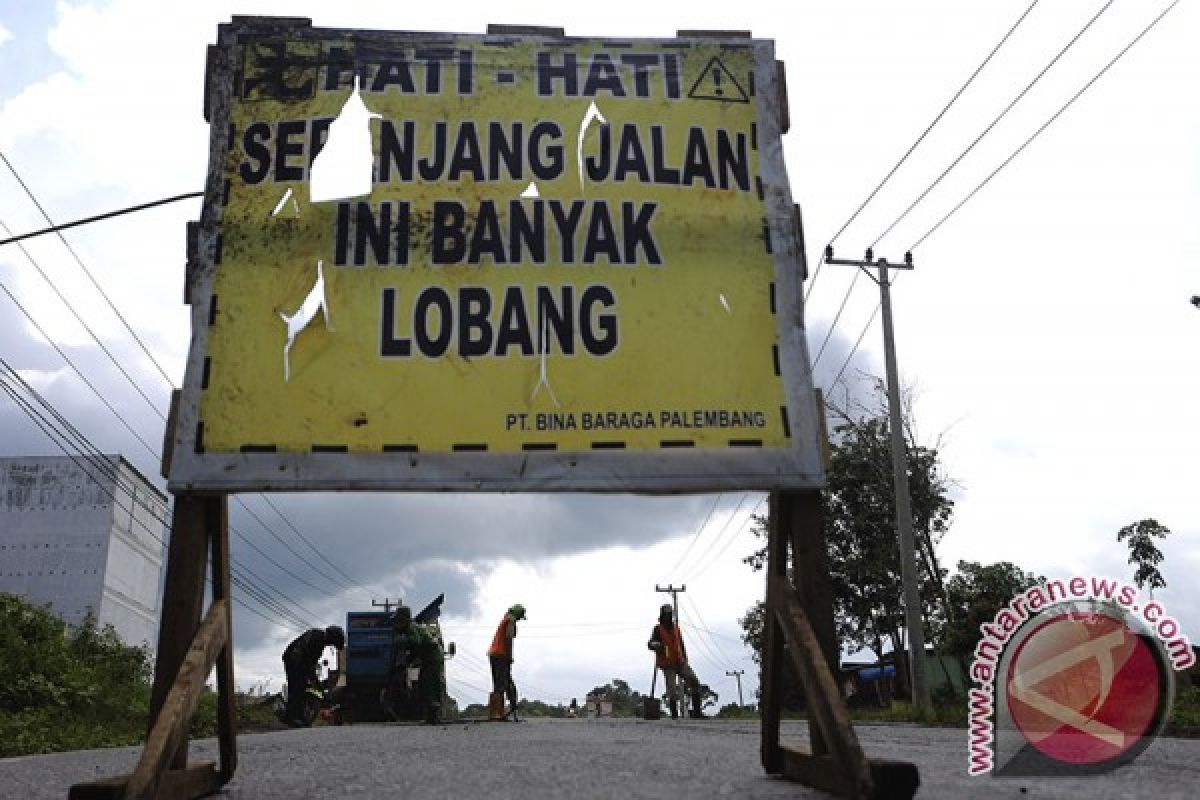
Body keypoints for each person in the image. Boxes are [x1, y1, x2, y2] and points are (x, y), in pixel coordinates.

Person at [388, 604, 446, 724]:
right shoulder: (412, 627)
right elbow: (416, 650)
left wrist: (403, 642)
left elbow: (416, 642)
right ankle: (431, 716)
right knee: (424, 684)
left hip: (433, 657)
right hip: (429, 657)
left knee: (429, 684)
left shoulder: (411, 628)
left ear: (403, 620)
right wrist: (407, 661)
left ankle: (433, 716)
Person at [648, 604, 704, 719]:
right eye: (666, 614)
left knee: (694, 681)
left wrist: (685, 658)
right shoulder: (657, 629)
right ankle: (674, 715)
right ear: (662, 615)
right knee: (672, 689)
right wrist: (655, 645)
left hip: (680, 662)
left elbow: (681, 644)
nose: (668, 616)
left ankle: (697, 713)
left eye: (670, 614)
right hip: (668, 664)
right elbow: (650, 643)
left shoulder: (676, 628)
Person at [281, 624, 345, 726]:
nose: (331, 645)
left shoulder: (319, 640)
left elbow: (310, 664)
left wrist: (315, 682)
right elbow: (308, 662)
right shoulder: (317, 638)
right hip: (293, 659)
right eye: (333, 643)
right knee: (298, 686)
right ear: (331, 637)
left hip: (297, 660)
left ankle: (298, 716)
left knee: (301, 685)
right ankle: (291, 717)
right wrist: (315, 681)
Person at [487, 603, 525, 720]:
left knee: (499, 683)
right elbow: (509, 640)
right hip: (501, 654)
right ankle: (498, 713)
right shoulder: (511, 621)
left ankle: (496, 712)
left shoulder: (505, 618)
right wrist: (509, 657)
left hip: (494, 654)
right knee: (503, 682)